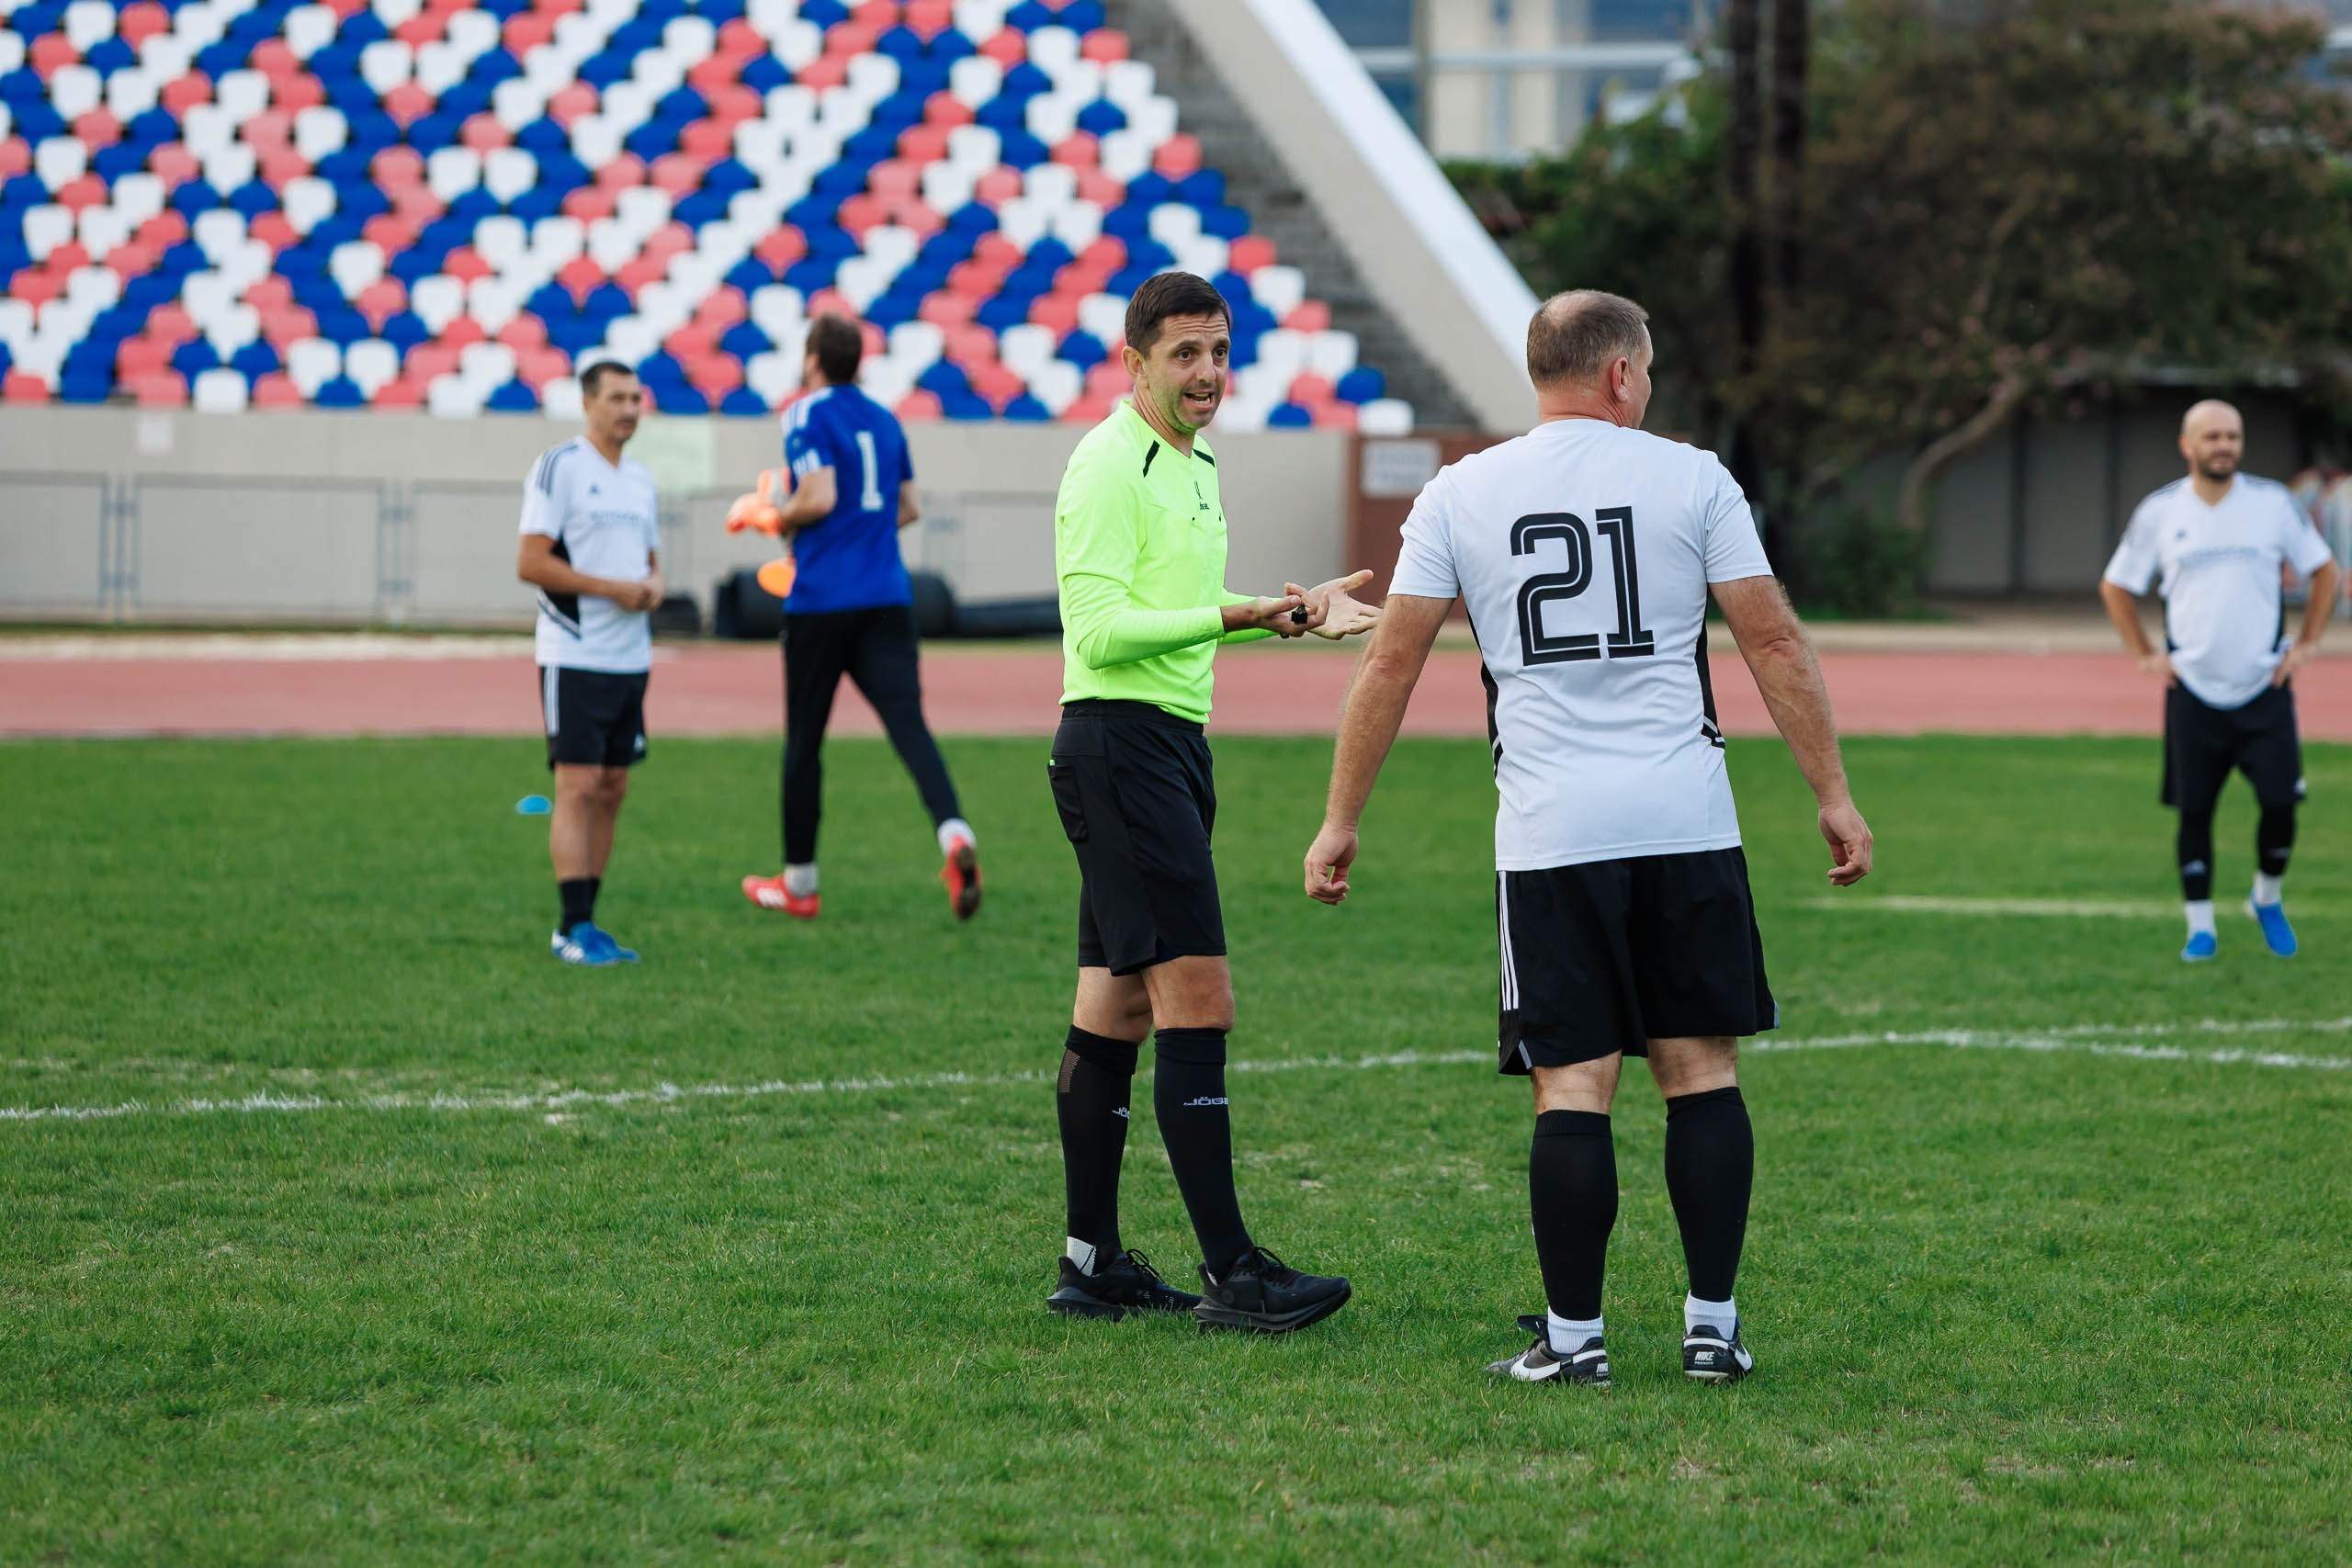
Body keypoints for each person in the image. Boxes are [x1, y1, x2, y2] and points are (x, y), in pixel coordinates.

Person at [1301, 289, 1872, 1386]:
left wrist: (1340, 820)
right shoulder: (1692, 476)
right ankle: (1712, 1328)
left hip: (1552, 832)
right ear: (1617, 375)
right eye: (1646, 369)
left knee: (1572, 1088)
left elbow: (1390, 663)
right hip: (1686, 819)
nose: (1648, 387)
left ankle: (1574, 1345)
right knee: (1700, 1071)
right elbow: (1773, 643)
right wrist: (1831, 792)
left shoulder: (1461, 492)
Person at [1043, 271, 1381, 1332]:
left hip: (1163, 748)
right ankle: (1236, 1274)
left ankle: (1091, 1261)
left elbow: (1174, 612)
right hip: (1120, 747)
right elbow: (1098, 633)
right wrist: (1241, 611)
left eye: (1220, 353)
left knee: (1116, 1001)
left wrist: (1278, 615)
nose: (1207, 375)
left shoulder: (1195, 466)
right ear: (1133, 362)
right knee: (1200, 997)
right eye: (1184, 355)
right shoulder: (1108, 462)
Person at [740, 313, 980, 922]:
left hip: (822, 599)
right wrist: (857, 530)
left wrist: (776, 517)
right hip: (887, 596)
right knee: (910, 728)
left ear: (814, 358)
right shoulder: (885, 417)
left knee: (804, 744)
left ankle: (799, 883)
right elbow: (907, 508)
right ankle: (953, 833)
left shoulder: (805, 412)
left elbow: (817, 495)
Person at [2098, 400, 2338, 962]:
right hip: (2193, 692)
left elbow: (2324, 570)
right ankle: (2200, 927)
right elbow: (2116, 585)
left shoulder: (2273, 504)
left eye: (2232, 436)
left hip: (2264, 689)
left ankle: (2266, 897)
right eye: (2212, 437)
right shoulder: (2160, 511)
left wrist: (2306, 645)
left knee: (2281, 805)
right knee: (2195, 811)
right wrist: (2144, 654)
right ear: (2188, 445)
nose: (2224, 445)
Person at [515, 360, 664, 966]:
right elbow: (531, 562)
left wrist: (655, 583)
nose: (629, 408)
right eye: (617, 397)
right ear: (587, 403)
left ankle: (589, 924)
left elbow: (650, 559)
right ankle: (571, 928)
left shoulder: (642, 481)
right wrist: (612, 589)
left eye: (636, 398)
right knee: (575, 788)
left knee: (613, 788)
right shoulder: (561, 467)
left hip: (631, 657)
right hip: (574, 653)